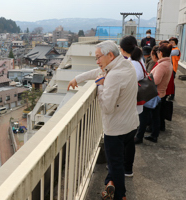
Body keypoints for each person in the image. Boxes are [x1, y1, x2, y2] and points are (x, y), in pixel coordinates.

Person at [67, 40, 139, 200]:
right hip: (131, 124)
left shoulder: (113, 75)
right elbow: (98, 72)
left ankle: (121, 196)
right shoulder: (125, 65)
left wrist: (100, 86)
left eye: (98, 57)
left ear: (110, 55)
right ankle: (109, 183)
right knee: (117, 161)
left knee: (115, 164)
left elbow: (107, 107)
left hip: (116, 129)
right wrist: (78, 78)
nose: (97, 61)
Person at [135, 44, 173, 143]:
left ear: (160, 53)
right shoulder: (168, 64)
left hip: (153, 94)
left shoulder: (162, 65)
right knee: (156, 116)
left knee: (143, 117)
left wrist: (148, 76)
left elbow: (155, 81)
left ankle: (139, 137)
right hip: (160, 93)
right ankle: (154, 135)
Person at [119, 35, 144, 178]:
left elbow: (125, 83)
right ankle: (127, 168)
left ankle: (127, 168)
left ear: (122, 50)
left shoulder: (130, 63)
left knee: (126, 140)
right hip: (136, 106)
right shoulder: (139, 60)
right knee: (129, 139)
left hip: (130, 106)